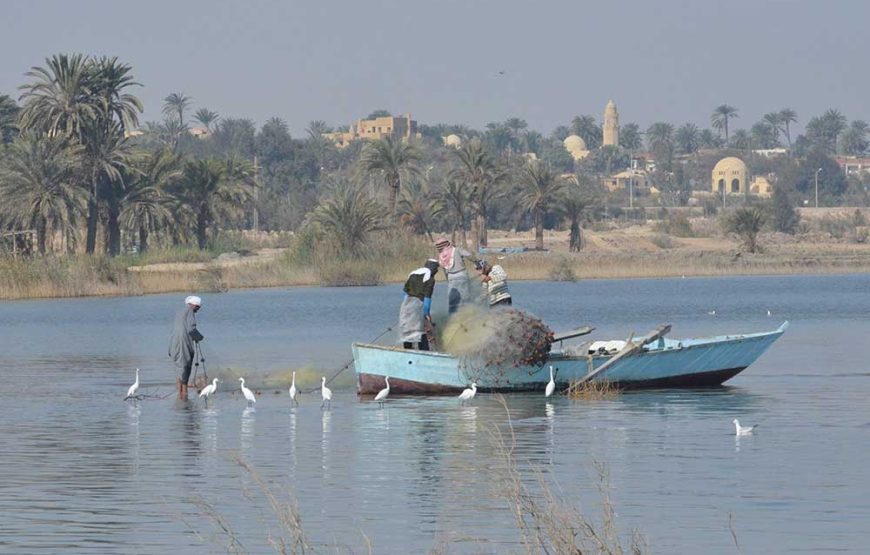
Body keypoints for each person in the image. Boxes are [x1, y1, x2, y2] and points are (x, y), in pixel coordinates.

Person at [168, 295, 204, 399]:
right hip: (183, 344)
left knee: (179, 369)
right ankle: (184, 395)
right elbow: (191, 329)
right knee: (185, 368)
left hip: (174, 344)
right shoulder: (190, 311)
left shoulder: (180, 311)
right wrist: (199, 337)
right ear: (194, 305)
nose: (198, 310)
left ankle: (180, 395)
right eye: (198, 307)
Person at [399, 259, 440, 350]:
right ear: (433, 269)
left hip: (406, 306)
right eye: (436, 269)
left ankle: (407, 352)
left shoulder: (413, 275)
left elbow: (406, 295)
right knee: (422, 332)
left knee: (407, 332)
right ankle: (424, 352)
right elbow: (427, 299)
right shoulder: (430, 279)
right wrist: (426, 315)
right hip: (418, 306)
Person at [434, 236, 477, 314]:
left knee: (453, 302)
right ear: (448, 243)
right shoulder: (456, 249)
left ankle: (452, 320)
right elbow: (469, 255)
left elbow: (445, 271)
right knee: (466, 300)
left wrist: (449, 280)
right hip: (461, 275)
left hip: (451, 278)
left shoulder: (441, 256)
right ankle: (469, 318)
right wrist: (476, 261)